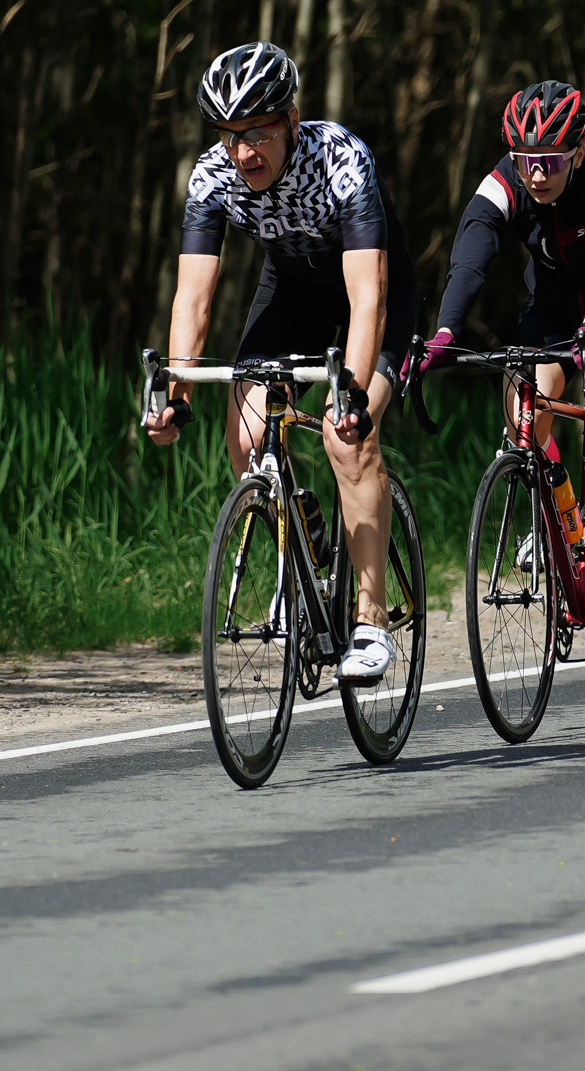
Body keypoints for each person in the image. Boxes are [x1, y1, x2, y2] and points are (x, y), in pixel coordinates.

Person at [144, 41, 418, 686]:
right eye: (231, 136)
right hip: (292, 291)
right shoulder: (212, 176)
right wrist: (175, 392)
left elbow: (367, 294)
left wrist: (348, 395)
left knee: (346, 440)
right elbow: (194, 295)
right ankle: (307, 538)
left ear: (292, 120)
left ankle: (371, 621)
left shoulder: (341, 159)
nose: (245, 152)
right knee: (245, 437)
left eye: (259, 133)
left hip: (373, 294)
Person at [422, 79, 585, 672]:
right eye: (527, 160)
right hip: (551, 315)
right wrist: (446, 331)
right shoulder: (504, 181)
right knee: (525, 417)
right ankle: (556, 512)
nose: (536, 174)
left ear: (577, 153)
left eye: (550, 161)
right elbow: (473, 252)